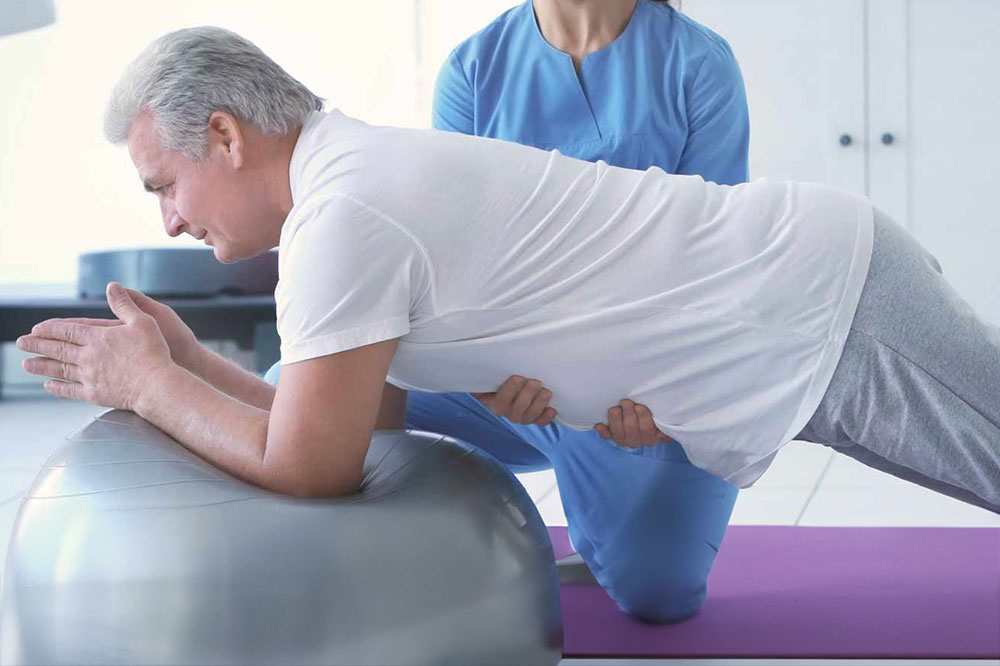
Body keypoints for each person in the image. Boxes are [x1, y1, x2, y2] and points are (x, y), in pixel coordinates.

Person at [17, 25, 1000, 613]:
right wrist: (182, 361)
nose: (171, 220)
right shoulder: (345, 181)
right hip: (810, 315)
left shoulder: (344, 216)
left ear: (223, 136)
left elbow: (307, 466)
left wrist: (149, 384)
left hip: (828, 301)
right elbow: (340, 430)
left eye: (166, 186)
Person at [395, 0, 750, 624]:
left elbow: (711, 270)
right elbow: (455, 259)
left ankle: (610, 518)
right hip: (513, 384)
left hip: (643, 399)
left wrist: (661, 398)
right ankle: (448, 542)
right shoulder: (474, 69)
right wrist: (484, 375)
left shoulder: (698, 63)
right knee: (299, 389)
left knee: (657, 594)